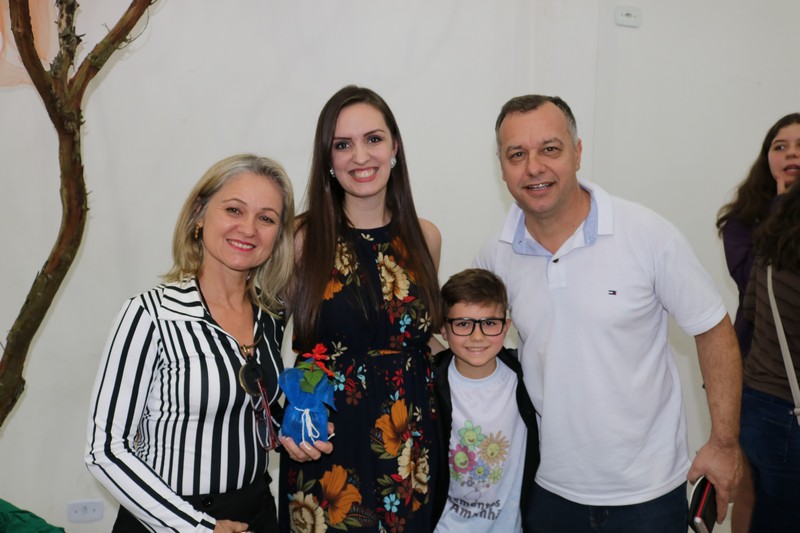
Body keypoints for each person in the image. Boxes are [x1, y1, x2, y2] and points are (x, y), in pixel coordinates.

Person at [474, 94, 743, 532]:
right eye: (516, 154)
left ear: (578, 152)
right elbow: (472, 349)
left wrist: (725, 443)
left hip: (649, 494)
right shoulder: (495, 256)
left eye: (550, 149)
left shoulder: (647, 234)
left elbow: (713, 329)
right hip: (547, 490)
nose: (534, 167)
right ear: (502, 168)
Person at [86, 154, 295, 532]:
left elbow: (252, 408)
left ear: (277, 236)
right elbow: (104, 450)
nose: (249, 228)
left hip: (258, 513)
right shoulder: (150, 314)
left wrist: (296, 430)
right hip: (172, 521)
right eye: (234, 209)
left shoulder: (270, 316)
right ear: (199, 214)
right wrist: (194, 526)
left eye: (266, 218)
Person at [279, 85, 443, 532]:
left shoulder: (425, 238)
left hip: (408, 444)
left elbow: (420, 338)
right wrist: (282, 416)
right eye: (342, 144)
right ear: (328, 159)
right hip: (328, 444)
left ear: (395, 147)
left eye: (373, 139)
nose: (360, 156)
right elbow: (262, 338)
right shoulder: (301, 239)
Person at [715, 112, 800, 532]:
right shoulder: (744, 221)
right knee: (752, 490)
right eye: (780, 146)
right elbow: (757, 285)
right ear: (767, 157)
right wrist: (783, 209)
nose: (791, 154)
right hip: (761, 373)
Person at [432, 268, 539, 533]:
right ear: (443, 328)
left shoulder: (526, 377)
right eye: (463, 324)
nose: (477, 336)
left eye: (490, 323)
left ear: (506, 326)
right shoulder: (427, 383)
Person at [739, 173, 800, 532]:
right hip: (791, 417)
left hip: (755, 403)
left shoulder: (771, 243)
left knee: (767, 510)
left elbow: (750, 309)